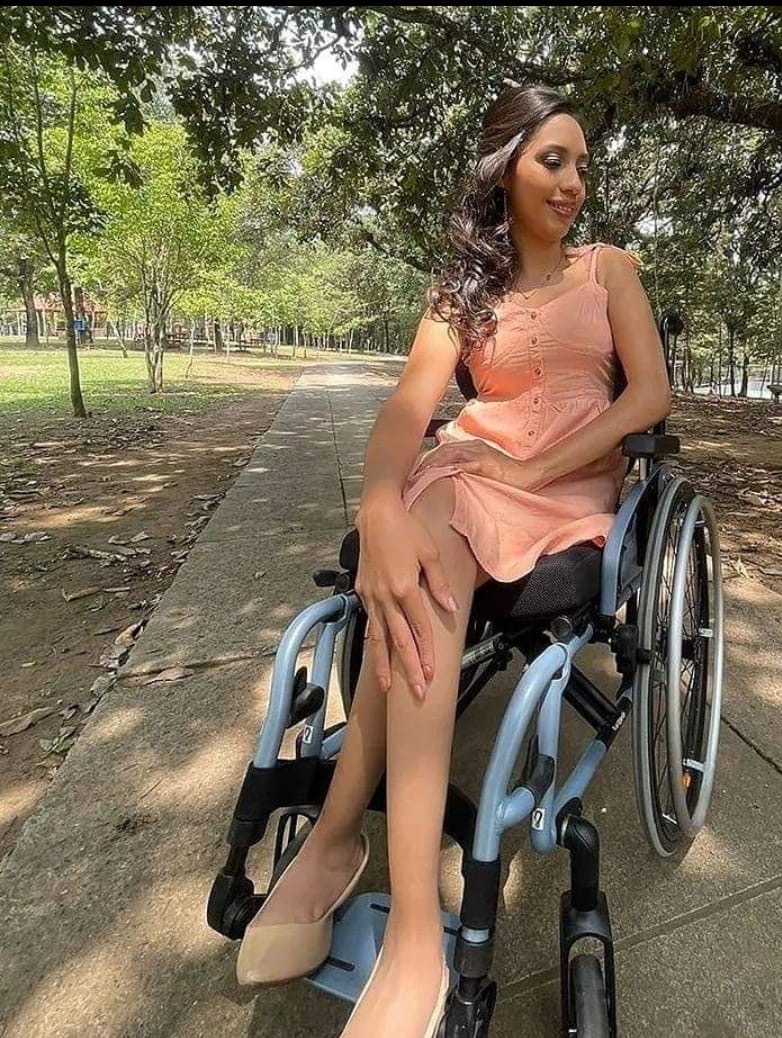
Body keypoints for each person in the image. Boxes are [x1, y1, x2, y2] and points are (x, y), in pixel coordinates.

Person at [234, 83, 672, 1038]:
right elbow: (407, 408)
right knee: (421, 550)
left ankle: (348, 851)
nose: (574, 181)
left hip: (563, 485)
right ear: (505, 168)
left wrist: (531, 466)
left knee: (424, 571)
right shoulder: (462, 290)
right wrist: (378, 505)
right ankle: (400, 917)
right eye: (552, 160)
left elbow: (648, 398)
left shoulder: (609, 270)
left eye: (582, 165)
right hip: (467, 469)